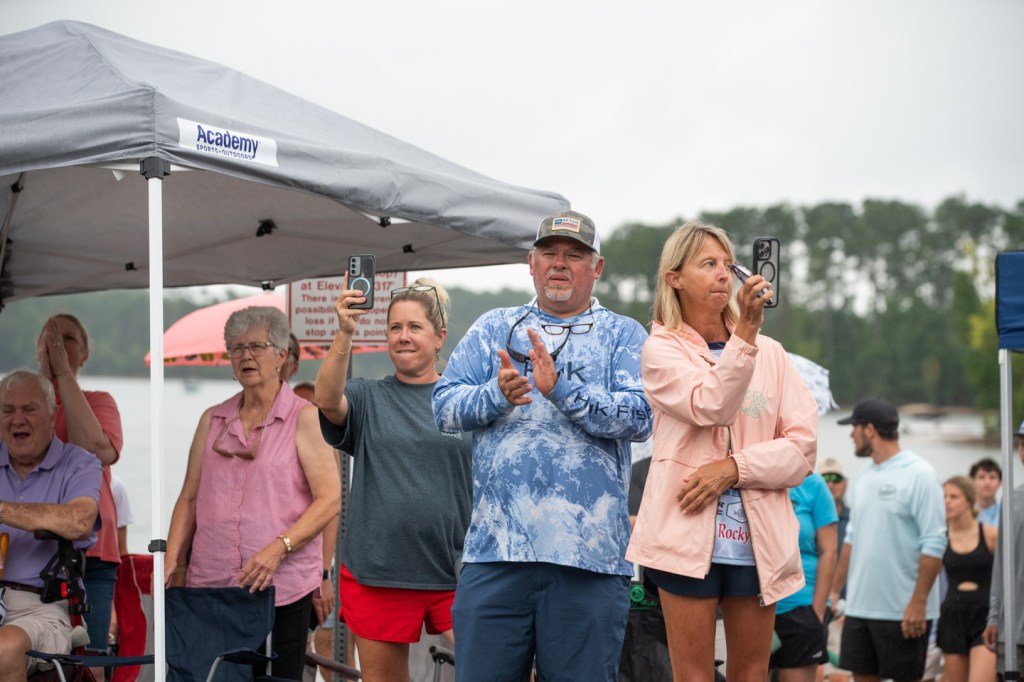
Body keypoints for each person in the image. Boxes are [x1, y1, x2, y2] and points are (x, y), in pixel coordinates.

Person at [433, 209, 652, 682]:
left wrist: (563, 391)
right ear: (530, 263)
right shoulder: (494, 327)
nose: (560, 263)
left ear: (597, 267)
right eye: (549, 253)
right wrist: (495, 395)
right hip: (495, 555)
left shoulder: (624, 335)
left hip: (590, 563)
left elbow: (642, 417)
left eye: (574, 255)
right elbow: (443, 408)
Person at [625, 222, 818, 682]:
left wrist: (735, 468)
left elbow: (803, 449)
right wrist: (745, 332)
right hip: (683, 534)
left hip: (758, 542)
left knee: (750, 672)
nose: (722, 274)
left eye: (727, 264)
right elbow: (711, 405)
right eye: (708, 264)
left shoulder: (772, 353)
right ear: (674, 277)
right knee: (692, 675)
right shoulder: (661, 350)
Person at [165, 306, 341, 681]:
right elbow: (189, 498)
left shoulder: (305, 418)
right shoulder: (212, 419)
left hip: (281, 589)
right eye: (237, 347)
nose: (245, 355)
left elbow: (330, 499)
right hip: (212, 587)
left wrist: (279, 548)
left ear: (281, 356)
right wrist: (170, 560)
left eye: (257, 346)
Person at [316, 277, 471, 682]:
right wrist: (345, 332)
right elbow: (327, 400)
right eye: (394, 328)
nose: (403, 336)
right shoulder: (368, 397)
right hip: (379, 572)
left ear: (439, 337)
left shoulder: (464, 399)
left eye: (414, 327)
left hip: (455, 571)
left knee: (500, 668)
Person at [829, 398, 947, 682]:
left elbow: (934, 543)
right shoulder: (863, 477)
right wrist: (834, 591)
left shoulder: (920, 474)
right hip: (859, 608)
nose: (851, 435)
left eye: (854, 428)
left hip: (903, 611)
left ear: (869, 430)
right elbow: (852, 540)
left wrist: (918, 603)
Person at [0, 369, 103, 682]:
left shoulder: (80, 463)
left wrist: (3, 511)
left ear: (52, 415)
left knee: (4, 648)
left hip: (40, 607)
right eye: (7, 410)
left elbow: (79, 521)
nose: (17, 419)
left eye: (29, 409)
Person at [36, 314, 123, 657]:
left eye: (68, 339)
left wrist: (63, 375)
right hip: (33, 548)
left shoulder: (100, 401)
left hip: (95, 551)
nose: (57, 345)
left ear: (84, 354)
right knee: (38, 656)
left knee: (91, 659)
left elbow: (94, 449)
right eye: (50, 338)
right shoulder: (20, 410)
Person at [771, 472, 838, 682]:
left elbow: (829, 551)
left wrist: (818, 610)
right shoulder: (751, 477)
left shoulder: (813, 484)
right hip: (754, 604)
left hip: (802, 605)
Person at [937, 475, 997, 682]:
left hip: (985, 616)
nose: (947, 502)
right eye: (944, 497)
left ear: (969, 500)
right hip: (953, 616)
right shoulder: (940, 538)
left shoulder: (991, 535)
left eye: (953, 497)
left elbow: (1010, 578)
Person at [983, 418, 1024, 677]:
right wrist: (994, 617)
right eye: (1023, 444)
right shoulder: (1012, 499)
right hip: (1014, 629)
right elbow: (1001, 565)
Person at [820, 457, 852, 682]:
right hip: (816, 607)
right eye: (825, 479)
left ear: (845, 483)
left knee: (840, 673)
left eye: (836, 478)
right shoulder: (808, 516)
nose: (830, 484)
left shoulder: (855, 518)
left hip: (847, 608)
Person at [968, 458, 1001, 528]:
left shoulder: (1007, 513)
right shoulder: (963, 512)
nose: (987, 483)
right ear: (972, 481)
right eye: (981, 477)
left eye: (992, 478)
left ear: (1000, 483)